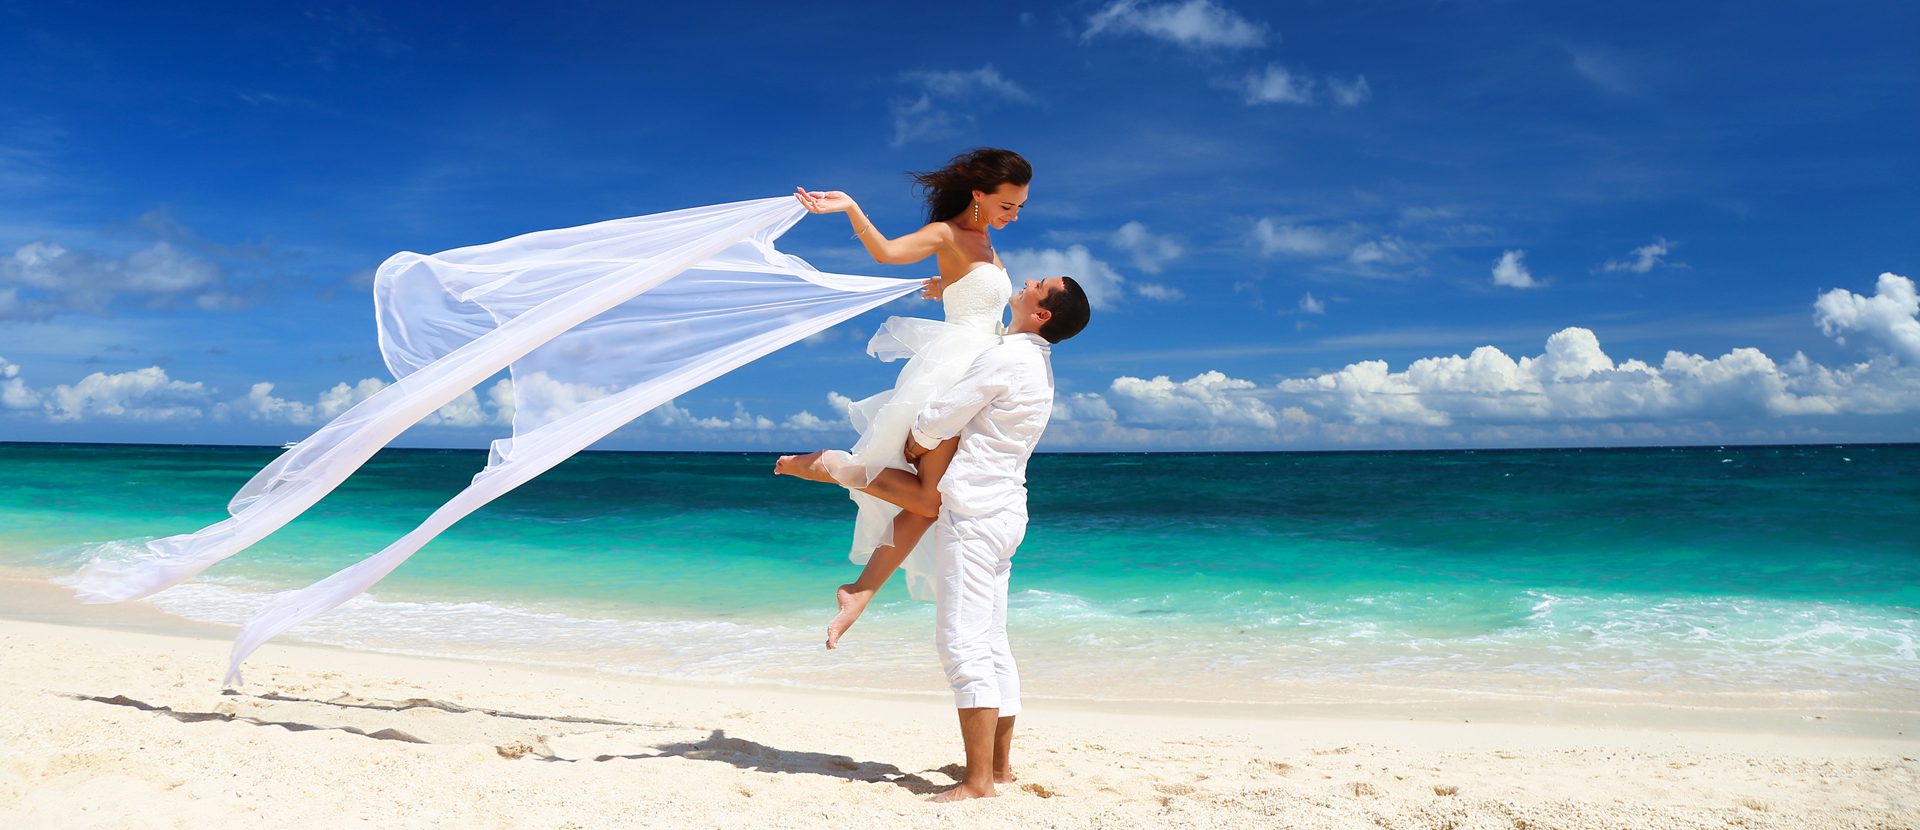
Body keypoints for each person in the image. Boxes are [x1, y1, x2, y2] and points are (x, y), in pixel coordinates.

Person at [787, 274, 1092, 802]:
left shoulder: (1006, 359)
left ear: (1042, 314)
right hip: (1005, 512)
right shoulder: (1036, 365)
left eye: (1036, 285)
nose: (1024, 282)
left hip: (974, 515)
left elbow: (938, 419)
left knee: (963, 645)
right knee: (993, 643)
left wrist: (913, 442)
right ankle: (997, 769)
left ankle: (977, 783)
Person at [776, 147, 1031, 649]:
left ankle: (861, 590)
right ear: (979, 195)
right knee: (928, 499)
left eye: (1020, 207)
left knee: (928, 501)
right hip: (952, 373)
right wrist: (851, 207)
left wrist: (945, 285)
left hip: (983, 374)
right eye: (1007, 205)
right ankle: (823, 466)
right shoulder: (948, 233)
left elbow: (977, 292)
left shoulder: (986, 246)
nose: (1014, 216)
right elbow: (887, 254)